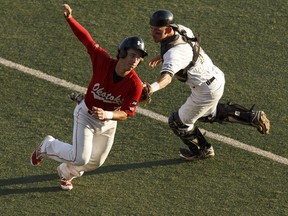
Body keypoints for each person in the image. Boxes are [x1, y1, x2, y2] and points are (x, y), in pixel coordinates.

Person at [30, 4, 148, 191]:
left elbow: (126, 112)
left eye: (139, 58)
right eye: (132, 55)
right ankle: (48, 145)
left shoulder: (135, 84)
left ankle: (66, 172)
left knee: (95, 162)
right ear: (122, 53)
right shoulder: (103, 61)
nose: (135, 61)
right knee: (81, 158)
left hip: (108, 123)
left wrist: (108, 115)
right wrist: (70, 19)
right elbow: (86, 39)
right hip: (85, 116)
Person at [147, 9, 270, 160]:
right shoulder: (181, 29)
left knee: (178, 122)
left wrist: (152, 88)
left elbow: (166, 77)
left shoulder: (175, 55)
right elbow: (187, 49)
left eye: (157, 31)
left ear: (168, 28)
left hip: (205, 91)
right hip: (216, 77)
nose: (153, 33)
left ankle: (203, 150)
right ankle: (251, 117)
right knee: (207, 113)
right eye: (152, 29)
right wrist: (162, 56)